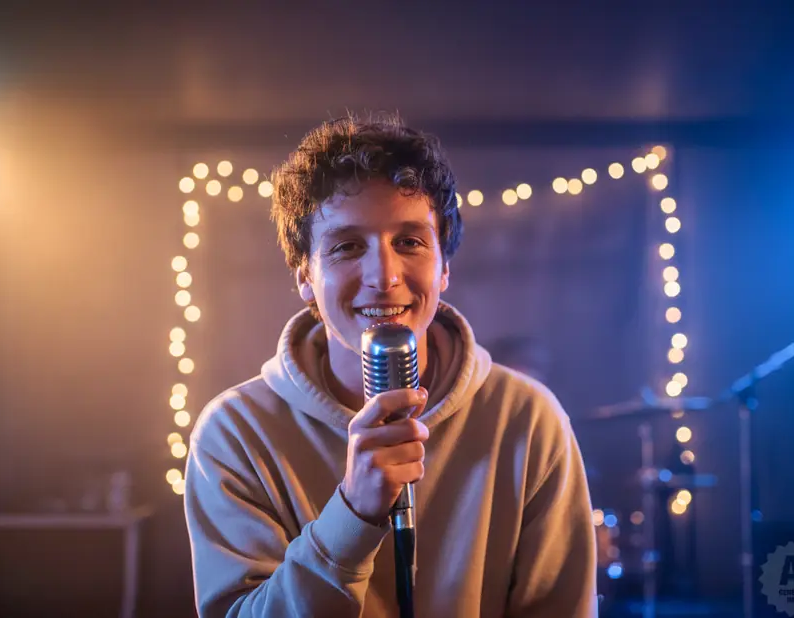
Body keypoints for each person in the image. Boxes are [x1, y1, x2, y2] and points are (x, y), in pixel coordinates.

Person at [183, 112, 598, 617]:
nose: (383, 275)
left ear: (444, 266)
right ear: (304, 277)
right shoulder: (234, 434)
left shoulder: (529, 420)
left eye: (409, 242)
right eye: (347, 246)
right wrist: (353, 515)